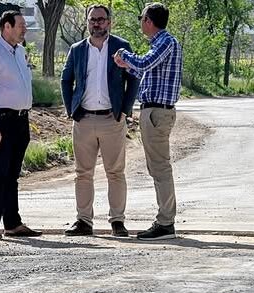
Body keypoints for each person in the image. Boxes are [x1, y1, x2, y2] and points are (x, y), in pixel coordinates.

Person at [61, 5, 139, 237]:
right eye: (93, 19)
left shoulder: (121, 47)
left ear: (109, 22)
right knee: (83, 173)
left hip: (112, 118)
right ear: (87, 22)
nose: (97, 23)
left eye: (101, 19)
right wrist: (71, 110)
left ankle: (117, 221)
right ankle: (84, 221)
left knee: (115, 172)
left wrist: (125, 110)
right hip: (83, 119)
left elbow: (133, 79)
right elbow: (66, 80)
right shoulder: (77, 50)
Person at [113, 2, 183, 240]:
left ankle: (165, 222)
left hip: (157, 112)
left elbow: (143, 63)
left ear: (148, 21)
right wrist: (128, 66)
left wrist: (124, 55)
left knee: (160, 167)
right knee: (157, 166)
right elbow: (144, 72)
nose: (141, 22)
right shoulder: (161, 44)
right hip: (153, 111)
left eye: (142, 18)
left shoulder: (165, 42)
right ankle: (164, 220)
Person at [0, 10, 42, 240]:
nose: (25, 29)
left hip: (21, 120)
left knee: (12, 174)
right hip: (1, 120)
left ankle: (12, 223)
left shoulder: (20, 52)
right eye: (21, 25)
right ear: (6, 26)